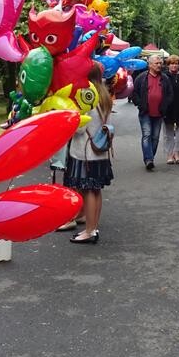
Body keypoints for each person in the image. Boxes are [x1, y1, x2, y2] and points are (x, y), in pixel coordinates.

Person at [64, 63, 115, 244]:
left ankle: (89, 230)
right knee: (96, 190)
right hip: (100, 150)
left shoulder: (87, 97)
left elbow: (80, 128)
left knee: (87, 191)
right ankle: (93, 227)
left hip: (85, 151)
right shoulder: (105, 95)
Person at [130, 54, 172, 170]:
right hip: (145, 112)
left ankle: (150, 157)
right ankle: (148, 159)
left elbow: (169, 94)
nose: (159, 65)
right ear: (150, 65)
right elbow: (134, 93)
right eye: (156, 63)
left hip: (159, 113)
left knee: (155, 137)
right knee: (147, 135)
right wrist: (140, 104)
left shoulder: (165, 78)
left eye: (160, 63)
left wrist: (165, 105)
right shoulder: (142, 78)